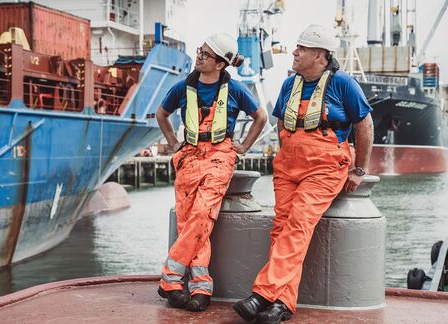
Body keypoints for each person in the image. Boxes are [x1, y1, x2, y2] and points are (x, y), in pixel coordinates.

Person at [233, 24, 374, 323]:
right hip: (288, 165)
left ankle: (263, 293)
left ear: (321, 55)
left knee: (297, 224)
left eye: (302, 48)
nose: (294, 53)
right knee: (282, 228)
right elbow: (283, 124)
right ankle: (283, 303)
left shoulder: (344, 84)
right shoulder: (288, 85)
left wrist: (358, 169)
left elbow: (365, 127)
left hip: (324, 167)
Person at [156, 33, 268, 312]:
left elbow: (261, 118)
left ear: (220, 64)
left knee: (202, 213)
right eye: (200, 51)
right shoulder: (182, 89)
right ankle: (201, 287)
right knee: (191, 224)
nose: (200, 56)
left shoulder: (237, 90)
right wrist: (173, 144)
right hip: (189, 157)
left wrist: (242, 146)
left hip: (219, 156)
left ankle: (170, 279)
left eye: (206, 54)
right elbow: (161, 114)